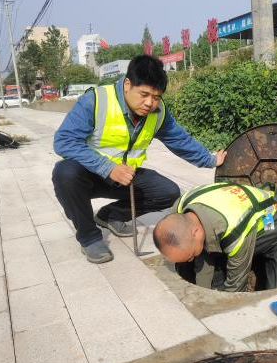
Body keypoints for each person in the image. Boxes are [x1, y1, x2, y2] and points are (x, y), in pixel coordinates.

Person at [52, 55, 226, 264]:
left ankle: (111, 215)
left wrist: (210, 160)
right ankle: (89, 237)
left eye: (156, 97)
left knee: (169, 192)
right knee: (64, 174)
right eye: (144, 94)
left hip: (126, 177)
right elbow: (64, 141)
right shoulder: (96, 101)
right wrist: (107, 167)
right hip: (89, 175)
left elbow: (180, 140)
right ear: (127, 84)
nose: (149, 103)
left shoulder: (158, 113)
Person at [153, 182, 277, 292]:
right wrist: (204, 293)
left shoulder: (234, 229)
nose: (190, 260)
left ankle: (264, 265)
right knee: (209, 258)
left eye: (190, 256)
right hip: (251, 216)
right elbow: (203, 261)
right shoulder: (180, 206)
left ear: (195, 232)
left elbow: (236, 284)